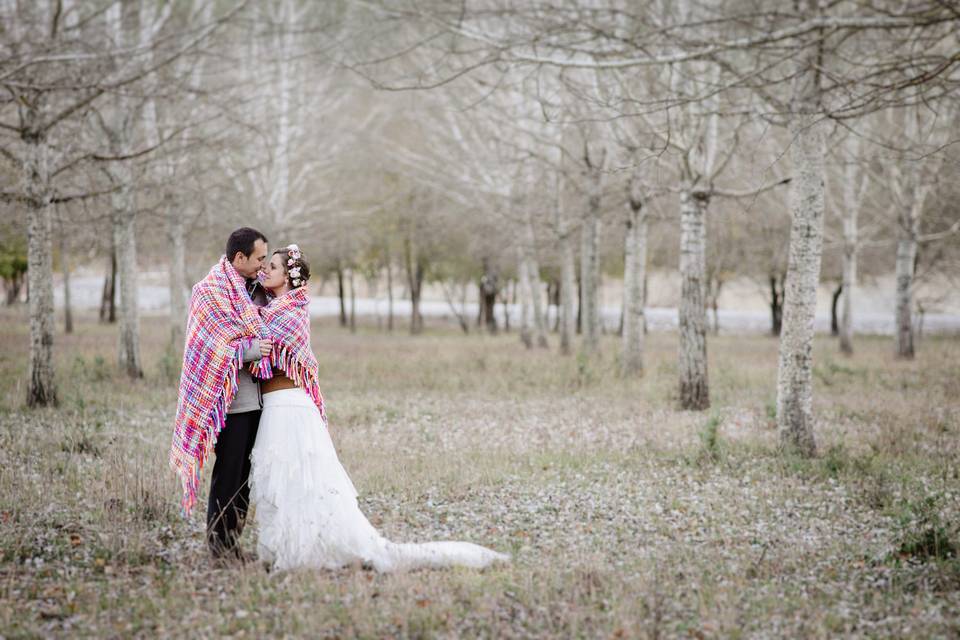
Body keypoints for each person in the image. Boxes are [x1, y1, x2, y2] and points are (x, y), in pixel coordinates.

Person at [250, 244, 510, 572]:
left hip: (290, 407)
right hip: (273, 408)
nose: (266, 271)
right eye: (266, 266)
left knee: (299, 480)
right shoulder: (270, 308)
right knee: (281, 482)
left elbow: (264, 350)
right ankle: (286, 548)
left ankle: (303, 553)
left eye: (273, 267)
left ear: (289, 276)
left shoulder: (290, 312)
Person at [169, 227, 273, 561]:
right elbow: (208, 346)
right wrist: (251, 349)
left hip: (257, 399)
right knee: (228, 475)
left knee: (245, 477)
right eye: (259, 258)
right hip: (228, 405)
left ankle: (233, 541)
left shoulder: (255, 290)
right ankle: (219, 546)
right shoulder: (209, 292)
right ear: (239, 257)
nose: (263, 264)